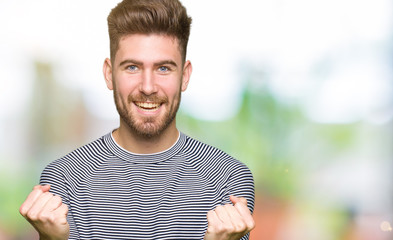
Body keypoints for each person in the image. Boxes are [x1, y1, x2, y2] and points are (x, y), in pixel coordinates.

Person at [19, 0, 255, 239]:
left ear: (185, 76)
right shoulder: (64, 178)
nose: (148, 87)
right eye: (132, 67)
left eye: (163, 68)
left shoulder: (228, 177)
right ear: (109, 74)